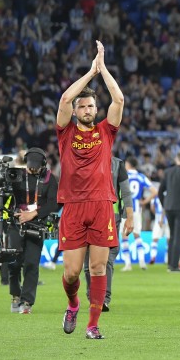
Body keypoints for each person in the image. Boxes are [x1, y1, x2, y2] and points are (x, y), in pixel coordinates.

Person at [56, 40, 124, 340]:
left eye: (91, 106)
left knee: (98, 269)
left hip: (101, 205)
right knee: (71, 273)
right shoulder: (65, 132)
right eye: (82, 106)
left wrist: (104, 69)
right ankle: (73, 303)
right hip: (73, 206)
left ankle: (93, 325)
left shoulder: (105, 133)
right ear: (75, 111)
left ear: (96, 110)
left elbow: (119, 100)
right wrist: (90, 72)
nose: (86, 109)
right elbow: (64, 98)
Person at [4, 149, 59, 314]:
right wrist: (0, 208)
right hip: (16, 222)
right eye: (30, 167)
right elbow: (6, 196)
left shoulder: (50, 179)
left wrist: (33, 214)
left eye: (35, 168)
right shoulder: (17, 176)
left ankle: (27, 301)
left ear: (43, 165)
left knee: (31, 263)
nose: (32, 170)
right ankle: (15, 294)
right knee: (13, 262)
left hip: (37, 224)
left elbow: (54, 203)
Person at [84, 156, 133, 312]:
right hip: (87, 216)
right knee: (88, 261)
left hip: (112, 217)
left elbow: (126, 193)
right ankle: (93, 296)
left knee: (108, 258)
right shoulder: (83, 160)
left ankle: (103, 299)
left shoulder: (117, 164)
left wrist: (129, 217)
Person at [124, 157, 155, 271]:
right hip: (137, 208)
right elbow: (154, 191)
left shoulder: (124, 175)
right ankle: (142, 261)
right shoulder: (141, 177)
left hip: (125, 209)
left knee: (124, 236)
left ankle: (128, 264)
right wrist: (144, 201)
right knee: (137, 235)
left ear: (128, 164)